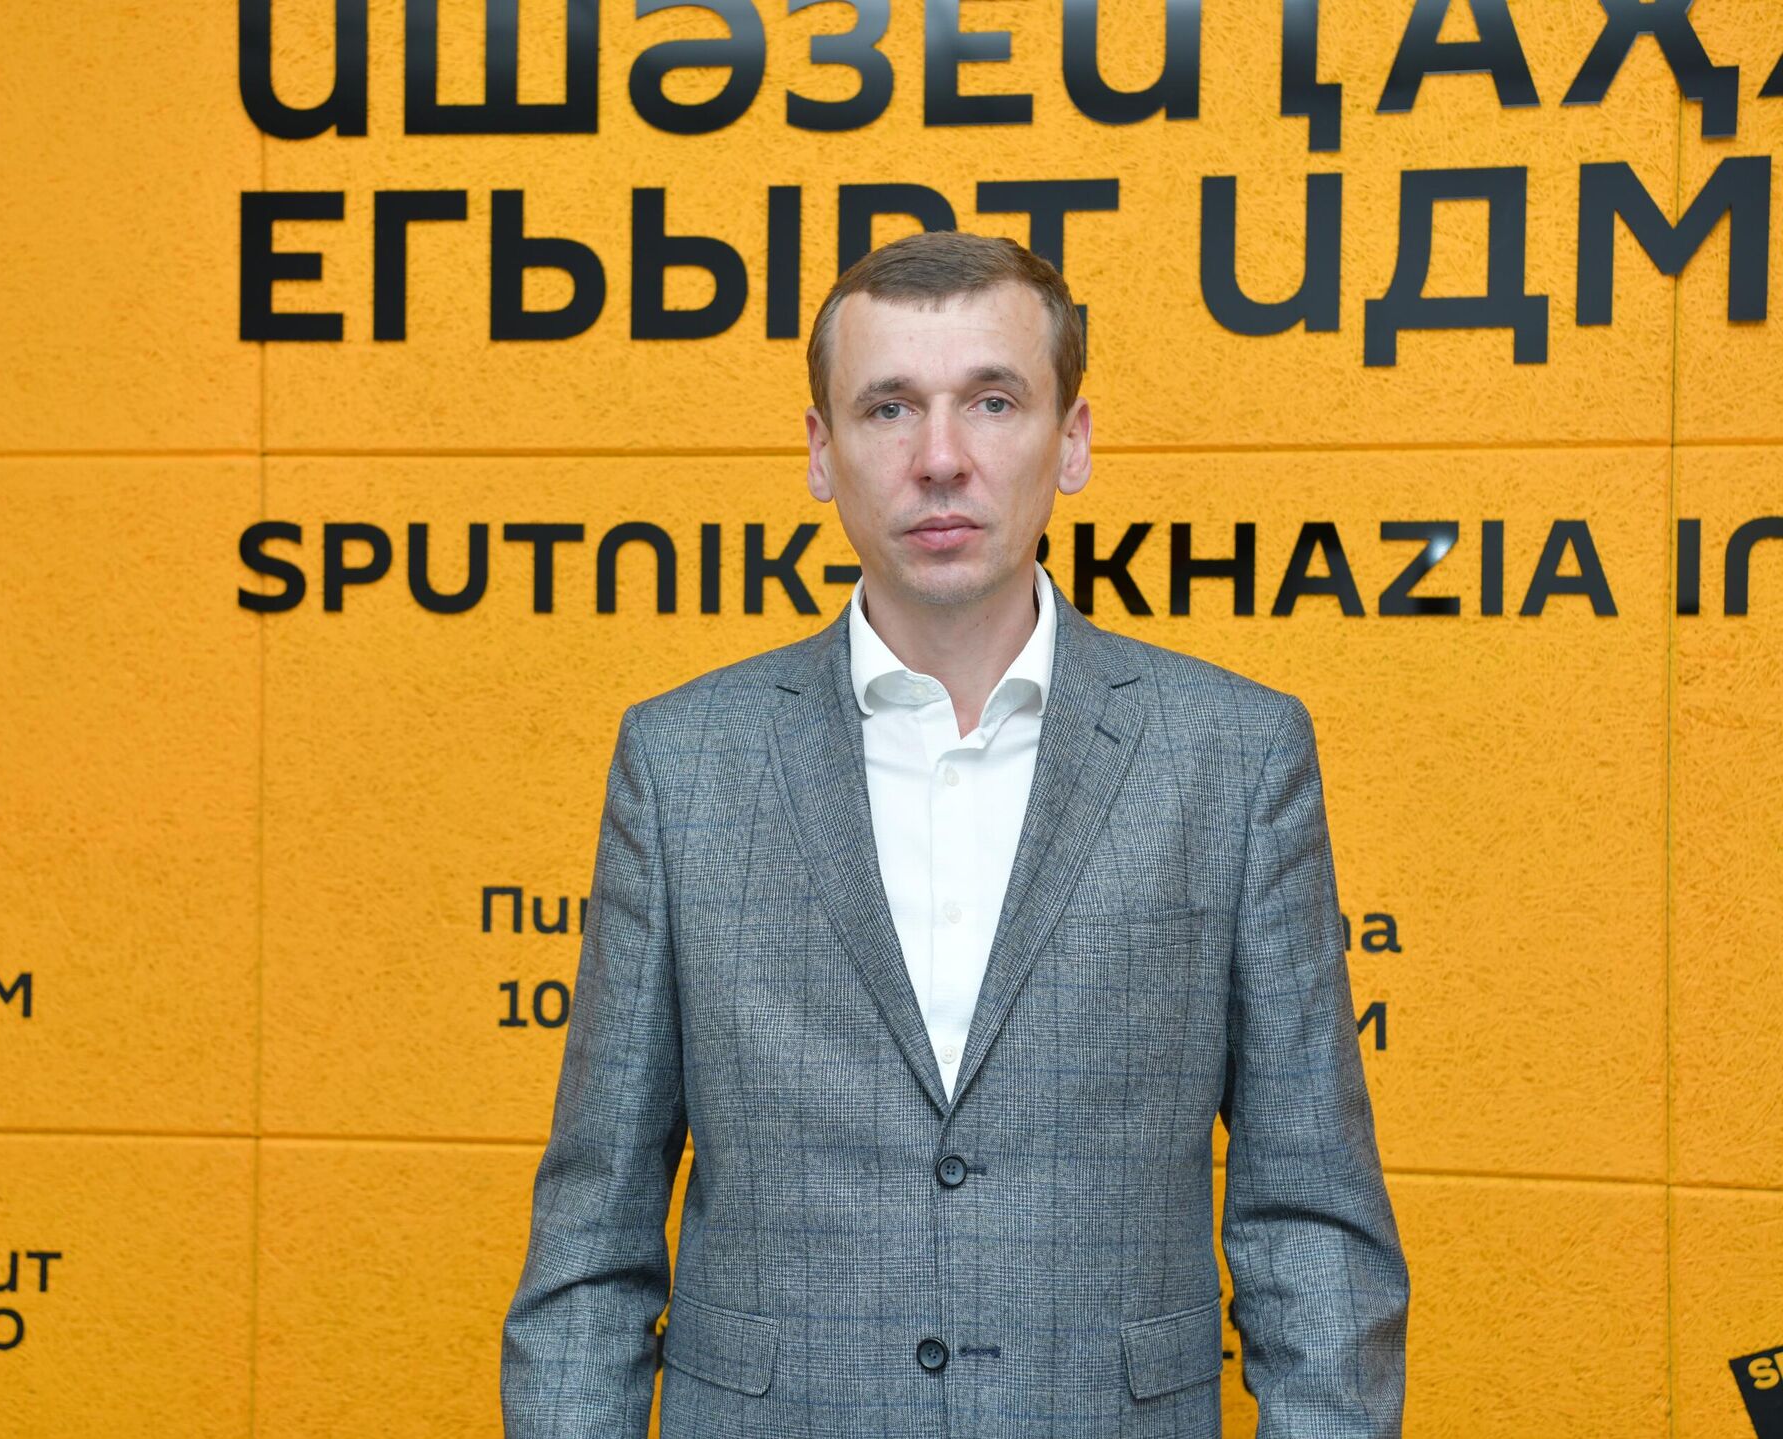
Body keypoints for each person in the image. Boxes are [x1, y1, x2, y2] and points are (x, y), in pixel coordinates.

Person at [500, 230, 1409, 1438]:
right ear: (820, 451)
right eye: (888, 407)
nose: (939, 458)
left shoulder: (1232, 754)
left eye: (992, 400)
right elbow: (591, 1246)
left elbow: (1314, 1228)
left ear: (1071, 440)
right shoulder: (683, 763)